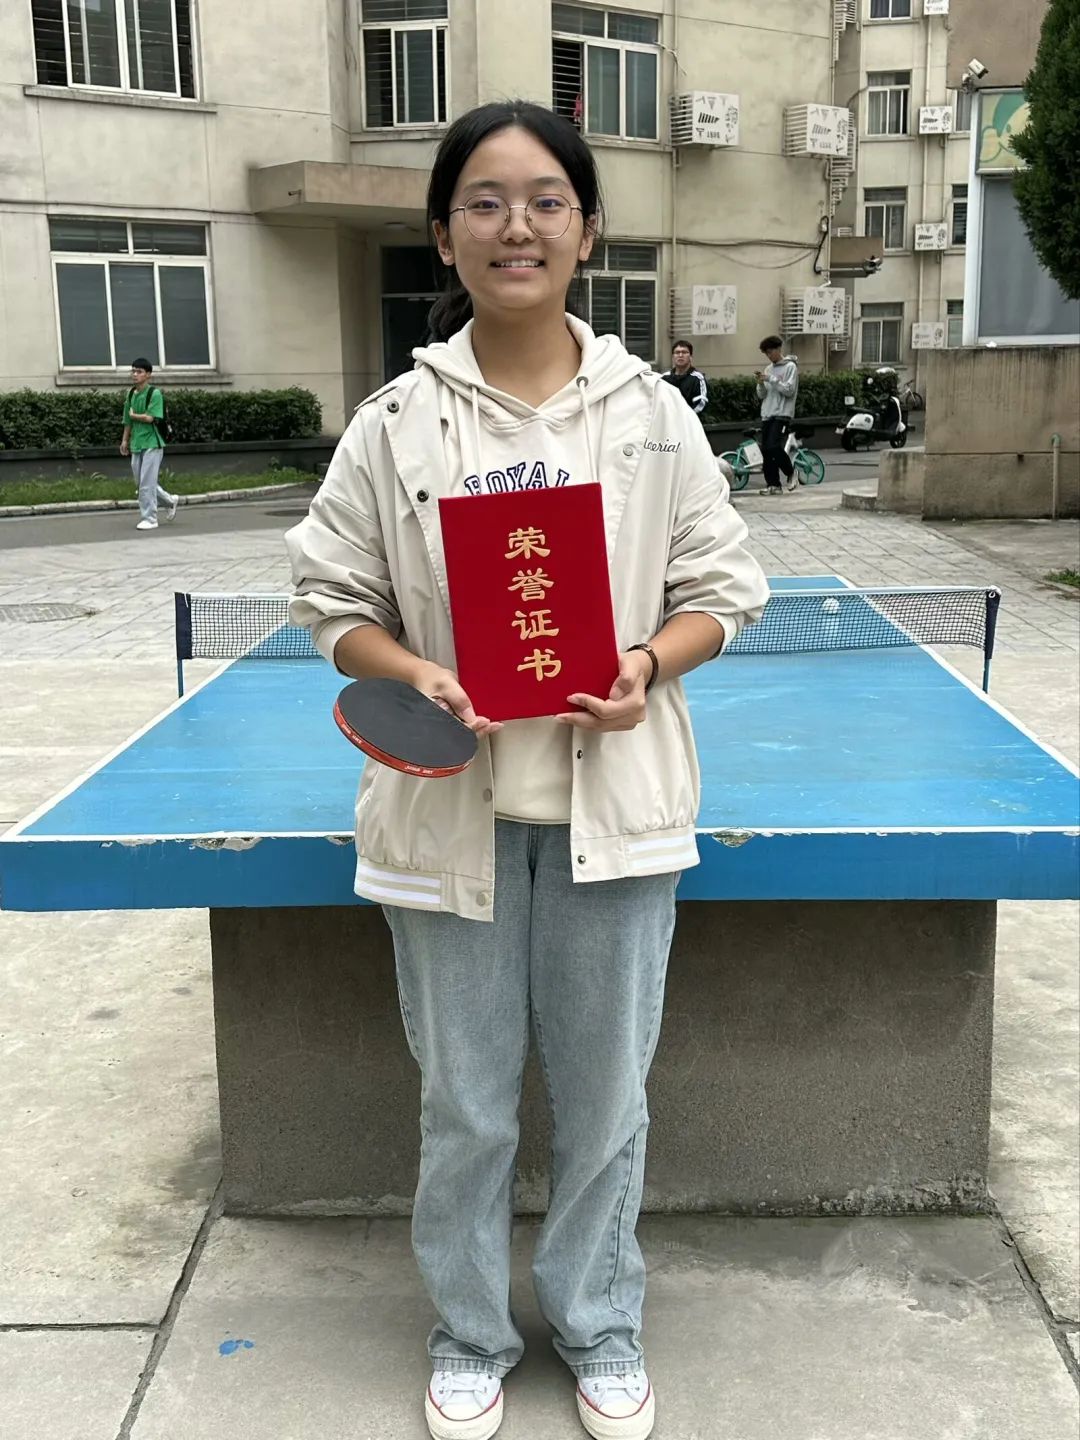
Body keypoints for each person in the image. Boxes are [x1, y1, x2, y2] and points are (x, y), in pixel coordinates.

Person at [286, 99, 768, 1440]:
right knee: (467, 1107)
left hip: (619, 812)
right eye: (486, 202)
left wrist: (648, 664)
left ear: (588, 231)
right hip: (453, 816)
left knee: (608, 1105)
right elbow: (330, 600)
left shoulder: (653, 415)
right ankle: (469, 1332)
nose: (519, 226)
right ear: (444, 237)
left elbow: (724, 587)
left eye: (547, 200)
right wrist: (411, 670)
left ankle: (601, 1323)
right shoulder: (394, 423)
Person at [120, 358, 177, 530]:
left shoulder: (155, 394)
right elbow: (127, 421)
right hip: (137, 443)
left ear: (148, 375)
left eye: (139, 372)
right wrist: (124, 440)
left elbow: (150, 417)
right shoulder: (131, 394)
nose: (135, 375)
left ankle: (150, 518)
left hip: (152, 442)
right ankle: (170, 501)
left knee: (146, 483)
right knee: (142, 482)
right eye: (133, 371)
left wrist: (134, 415)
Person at [754, 336, 799, 495]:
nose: (769, 355)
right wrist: (760, 383)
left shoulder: (790, 367)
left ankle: (791, 472)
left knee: (773, 446)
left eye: (770, 352)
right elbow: (762, 395)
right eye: (766, 353)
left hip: (782, 414)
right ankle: (773, 484)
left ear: (779, 349)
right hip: (767, 414)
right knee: (766, 450)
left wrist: (772, 379)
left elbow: (789, 390)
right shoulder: (768, 369)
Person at [660, 340, 707, 418]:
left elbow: (701, 403)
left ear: (691, 357)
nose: (680, 355)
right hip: (668, 422)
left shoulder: (698, 378)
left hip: (690, 422)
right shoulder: (664, 378)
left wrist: (684, 418)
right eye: (677, 352)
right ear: (673, 357)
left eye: (684, 352)